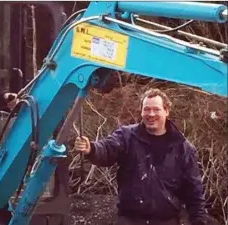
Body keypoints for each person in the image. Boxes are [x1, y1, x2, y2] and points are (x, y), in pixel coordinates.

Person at [74, 88, 207, 225]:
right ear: (141, 112)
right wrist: (91, 148)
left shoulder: (183, 148)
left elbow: (194, 192)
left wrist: (199, 221)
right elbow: (107, 149)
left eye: (156, 109)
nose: (151, 114)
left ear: (166, 111)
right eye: (146, 109)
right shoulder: (126, 136)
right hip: (130, 219)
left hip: (167, 221)